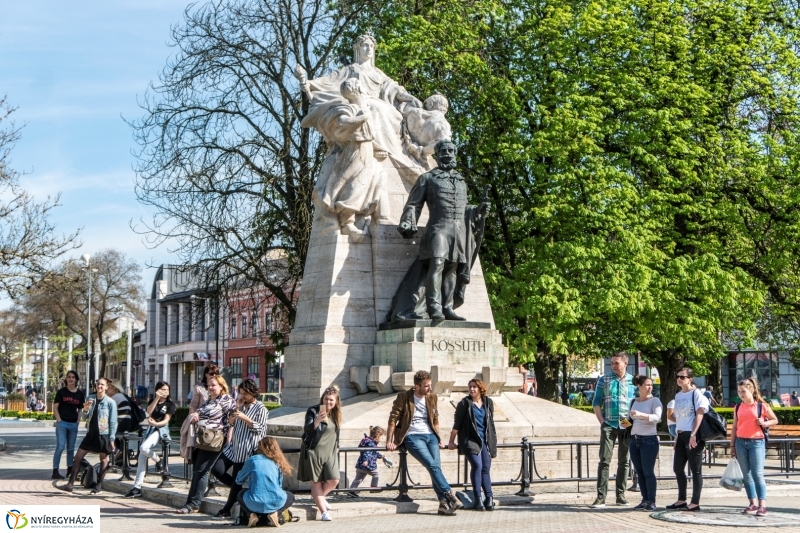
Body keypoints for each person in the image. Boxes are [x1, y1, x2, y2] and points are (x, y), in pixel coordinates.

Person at [389, 140, 489, 321]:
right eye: (443, 151)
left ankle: (447, 307)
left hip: (458, 231)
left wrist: (477, 210)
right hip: (438, 229)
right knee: (437, 263)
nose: (447, 154)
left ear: (455, 154)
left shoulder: (461, 181)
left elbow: (463, 208)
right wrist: (408, 221)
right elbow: (414, 204)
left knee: (452, 268)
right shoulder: (427, 178)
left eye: (451, 150)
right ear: (437, 154)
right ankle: (433, 306)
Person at [386, 370, 460, 516]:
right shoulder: (404, 397)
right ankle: (449, 493)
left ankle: (443, 504)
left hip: (430, 436)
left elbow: (435, 419)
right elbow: (393, 419)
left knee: (436, 467)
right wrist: (389, 441)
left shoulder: (432, 397)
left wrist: (438, 438)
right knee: (431, 465)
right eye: (426, 386)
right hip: (412, 436)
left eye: (430, 385)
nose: (429, 389)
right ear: (417, 386)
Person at [210, 379, 269, 520]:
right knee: (217, 469)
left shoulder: (261, 409)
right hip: (233, 447)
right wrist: (236, 408)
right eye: (241, 393)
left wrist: (246, 418)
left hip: (247, 449)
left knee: (237, 478)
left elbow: (261, 429)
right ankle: (241, 492)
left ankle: (226, 509)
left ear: (253, 393)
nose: (243, 396)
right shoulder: (240, 405)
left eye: (245, 394)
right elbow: (230, 423)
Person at [176, 374, 236, 514]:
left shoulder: (226, 399)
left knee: (201, 471)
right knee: (197, 471)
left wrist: (229, 439)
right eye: (209, 385)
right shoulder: (210, 400)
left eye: (213, 385)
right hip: (200, 438)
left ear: (222, 386)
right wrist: (196, 416)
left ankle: (193, 504)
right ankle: (191, 502)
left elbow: (231, 420)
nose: (210, 388)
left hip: (213, 439)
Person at [590, 351, 635, 508]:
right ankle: (601, 497)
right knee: (604, 460)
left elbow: (638, 401)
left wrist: (632, 422)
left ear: (625, 364)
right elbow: (596, 402)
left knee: (624, 461)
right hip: (609, 422)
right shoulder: (605, 379)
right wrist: (602, 422)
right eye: (612, 363)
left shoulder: (633, 381)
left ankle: (620, 496)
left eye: (617, 363)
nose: (613, 366)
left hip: (625, 423)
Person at [58, 377, 118, 494]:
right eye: (97, 384)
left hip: (103, 434)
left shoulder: (110, 403)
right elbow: (84, 418)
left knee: (103, 459)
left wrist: (111, 439)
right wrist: (85, 409)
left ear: (106, 387)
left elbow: (113, 422)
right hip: (91, 433)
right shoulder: (90, 398)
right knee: (78, 457)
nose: (99, 386)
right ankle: (70, 484)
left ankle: (99, 486)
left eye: (102, 384)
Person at [731, 377, 778, 516]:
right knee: (746, 475)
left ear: (751, 390)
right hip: (740, 442)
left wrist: (764, 422)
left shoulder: (761, 406)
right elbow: (734, 426)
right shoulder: (738, 406)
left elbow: (775, 420)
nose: (741, 394)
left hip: (757, 442)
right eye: (739, 391)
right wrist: (732, 445)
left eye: (743, 391)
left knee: (757, 474)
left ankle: (762, 505)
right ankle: (752, 503)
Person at [448, 378, 497, 511]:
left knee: (486, 467)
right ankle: (478, 498)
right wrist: (451, 441)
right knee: (477, 465)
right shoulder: (464, 403)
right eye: (470, 386)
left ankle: (489, 498)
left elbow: (490, 424)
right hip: (469, 440)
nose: (472, 389)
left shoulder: (488, 402)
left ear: (481, 388)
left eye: (475, 386)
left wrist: (492, 440)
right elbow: (457, 424)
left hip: (485, 440)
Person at [666, 367, 708, 511]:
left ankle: (695, 502)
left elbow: (700, 414)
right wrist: (678, 435)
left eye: (682, 377)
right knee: (677, 468)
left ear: (690, 379)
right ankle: (681, 499)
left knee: (695, 470)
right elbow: (679, 418)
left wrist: (693, 434)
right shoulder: (678, 396)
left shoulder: (696, 393)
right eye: (678, 376)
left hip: (693, 434)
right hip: (682, 434)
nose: (679, 379)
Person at [124, 381, 176, 498]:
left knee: (143, 447)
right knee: (141, 458)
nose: (165, 392)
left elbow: (166, 421)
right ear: (157, 390)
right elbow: (148, 412)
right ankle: (137, 487)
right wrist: (157, 398)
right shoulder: (154, 401)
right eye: (162, 389)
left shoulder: (170, 404)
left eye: (167, 390)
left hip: (160, 430)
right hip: (150, 429)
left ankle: (158, 460)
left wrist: (156, 424)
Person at [298, 385, 342, 522]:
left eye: (331, 400)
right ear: (322, 398)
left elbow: (335, 433)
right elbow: (307, 430)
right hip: (313, 450)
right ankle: (323, 512)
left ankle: (320, 498)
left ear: (336, 402)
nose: (328, 402)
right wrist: (317, 420)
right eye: (326, 399)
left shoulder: (336, 414)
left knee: (334, 480)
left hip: (330, 452)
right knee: (316, 483)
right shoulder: (313, 410)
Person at [236, 436, 296, 527]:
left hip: (254, 502)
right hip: (275, 501)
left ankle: (251, 514)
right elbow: (279, 485)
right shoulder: (278, 462)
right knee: (291, 496)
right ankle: (276, 513)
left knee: (240, 494)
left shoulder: (252, 460)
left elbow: (238, 480)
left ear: (260, 447)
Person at [628, 376, 663, 511]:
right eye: (647, 385)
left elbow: (657, 418)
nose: (649, 388)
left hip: (649, 440)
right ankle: (644, 499)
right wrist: (620, 424)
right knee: (639, 472)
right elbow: (629, 420)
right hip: (634, 440)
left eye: (651, 385)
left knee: (648, 471)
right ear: (639, 386)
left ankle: (652, 501)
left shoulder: (655, 401)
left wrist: (641, 414)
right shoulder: (634, 402)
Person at [52, 370, 86, 480]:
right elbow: (55, 407)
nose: (71, 379)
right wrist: (59, 420)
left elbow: (81, 409)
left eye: (73, 377)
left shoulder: (80, 394)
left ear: (76, 379)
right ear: (66, 379)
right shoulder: (61, 392)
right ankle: (55, 470)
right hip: (62, 424)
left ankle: (70, 470)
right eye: (69, 377)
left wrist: (77, 421)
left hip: (73, 424)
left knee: (71, 448)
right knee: (60, 447)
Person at [348, 426, 386, 496]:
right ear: (377, 436)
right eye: (382, 437)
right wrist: (365, 460)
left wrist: (381, 456)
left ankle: (351, 490)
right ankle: (373, 488)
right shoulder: (371, 443)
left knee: (358, 478)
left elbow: (373, 452)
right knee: (376, 474)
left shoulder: (367, 441)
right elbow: (367, 452)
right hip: (368, 465)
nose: (382, 439)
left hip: (360, 465)